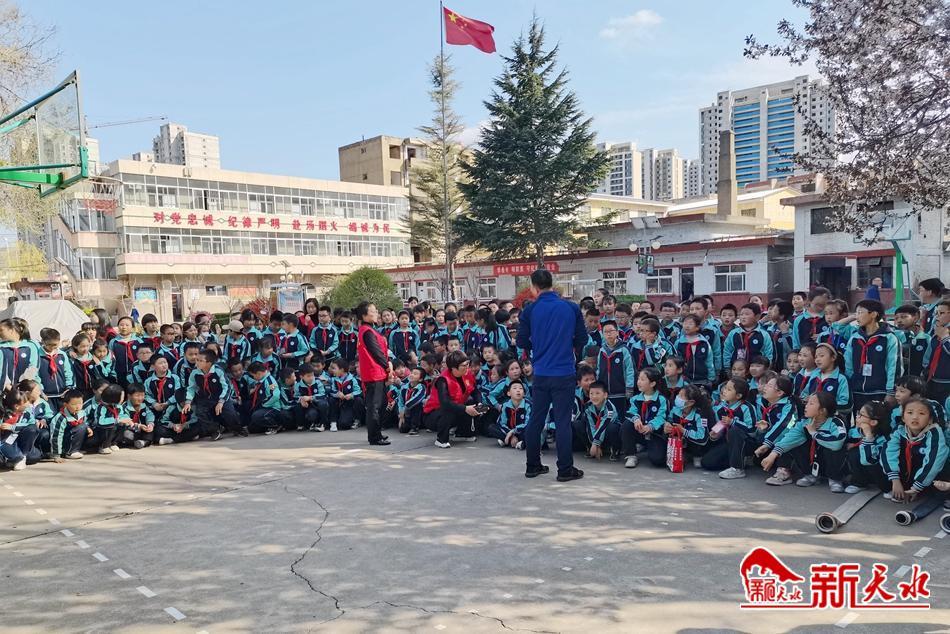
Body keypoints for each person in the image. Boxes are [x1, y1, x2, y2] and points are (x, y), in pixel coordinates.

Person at [516, 268, 588, 482]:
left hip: (541, 372)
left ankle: (532, 465)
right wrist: (568, 347)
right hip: (564, 371)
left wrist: (538, 347)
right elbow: (582, 339)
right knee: (563, 421)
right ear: (552, 284)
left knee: (536, 419)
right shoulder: (571, 307)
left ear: (534, 287)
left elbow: (521, 341)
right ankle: (565, 469)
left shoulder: (530, 310)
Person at [422, 350, 481, 448]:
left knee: (471, 403)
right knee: (448, 410)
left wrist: (479, 403)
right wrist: (465, 409)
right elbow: (445, 403)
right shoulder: (443, 380)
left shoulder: (467, 374)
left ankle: (463, 433)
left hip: (456, 407)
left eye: (467, 363)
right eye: (464, 365)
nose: (467, 367)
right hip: (433, 414)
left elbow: (475, 391)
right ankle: (441, 439)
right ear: (454, 368)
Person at [355, 301, 393, 446]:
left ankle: (377, 433)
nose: (376, 313)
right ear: (364, 315)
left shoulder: (368, 329)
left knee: (380, 403)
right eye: (373, 311)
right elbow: (376, 352)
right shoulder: (367, 331)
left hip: (376, 372)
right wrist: (387, 366)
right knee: (375, 406)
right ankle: (374, 437)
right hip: (374, 372)